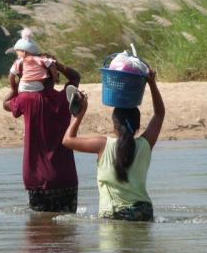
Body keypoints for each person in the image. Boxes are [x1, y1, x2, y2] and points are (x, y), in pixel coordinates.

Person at [62, 70, 165, 221]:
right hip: (143, 211)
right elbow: (159, 114)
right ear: (137, 127)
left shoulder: (102, 145)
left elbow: (67, 140)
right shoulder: (145, 144)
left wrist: (80, 113)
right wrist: (152, 83)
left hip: (113, 214)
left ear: (114, 126)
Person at [3, 58, 81, 213]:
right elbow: (75, 77)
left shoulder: (25, 99)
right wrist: (57, 64)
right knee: (67, 231)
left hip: (38, 179)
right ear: (54, 77)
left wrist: (14, 88)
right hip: (66, 178)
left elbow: (6, 104)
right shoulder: (65, 97)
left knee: (40, 230)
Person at [9, 28, 60, 94]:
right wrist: (55, 78)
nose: (17, 54)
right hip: (38, 88)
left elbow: (11, 76)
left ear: (24, 52)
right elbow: (51, 64)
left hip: (22, 89)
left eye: (18, 52)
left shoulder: (19, 62)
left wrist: (13, 87)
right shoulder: (40, 59)